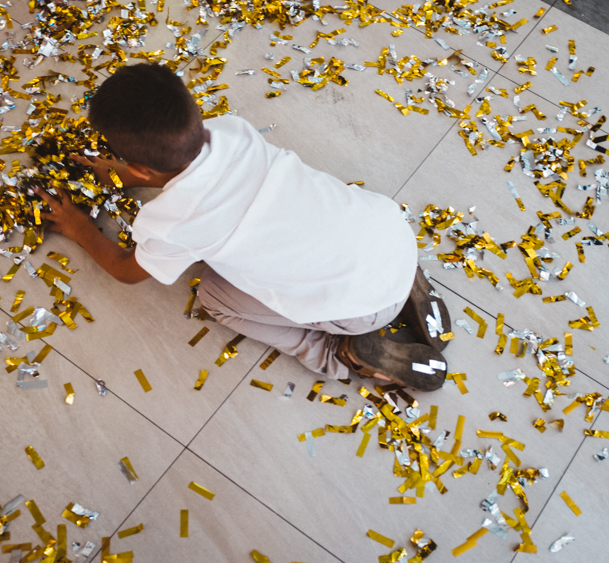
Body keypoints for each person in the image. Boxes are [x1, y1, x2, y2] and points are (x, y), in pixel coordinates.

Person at [35, 62, 452, 390]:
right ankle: (398, 278)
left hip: (359, 310)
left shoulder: (172, 223)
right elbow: (189, 169)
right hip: (393, 236)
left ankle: (334, 353)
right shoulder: (232, 130)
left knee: (216, 295)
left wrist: (78, 227)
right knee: (317, 210)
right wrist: (131, 174)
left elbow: (127, 272)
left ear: (143, 169)